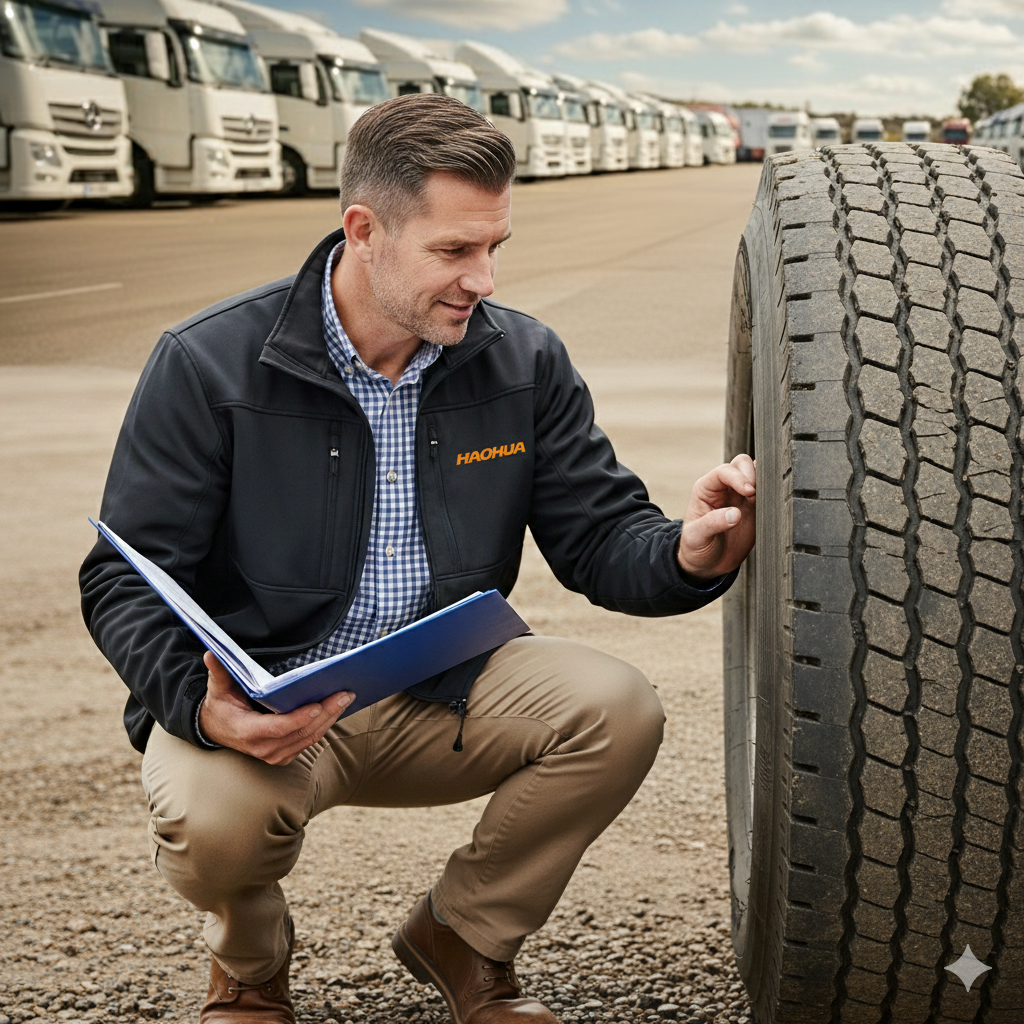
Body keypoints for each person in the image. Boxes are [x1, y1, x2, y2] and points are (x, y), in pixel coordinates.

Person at [80, 94, 756, 1024]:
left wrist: (687, 551)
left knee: (619, 708)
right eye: (452, 251)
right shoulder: (208, 364)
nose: (481, 278)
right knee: (213, 825)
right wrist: (204, 706)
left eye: (493, 248)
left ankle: (464, 937)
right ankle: (248, 968)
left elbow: (599, 538)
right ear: (364, 230)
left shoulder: (522, 359)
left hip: (448, 689)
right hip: (275, 699)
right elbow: (123, 574)